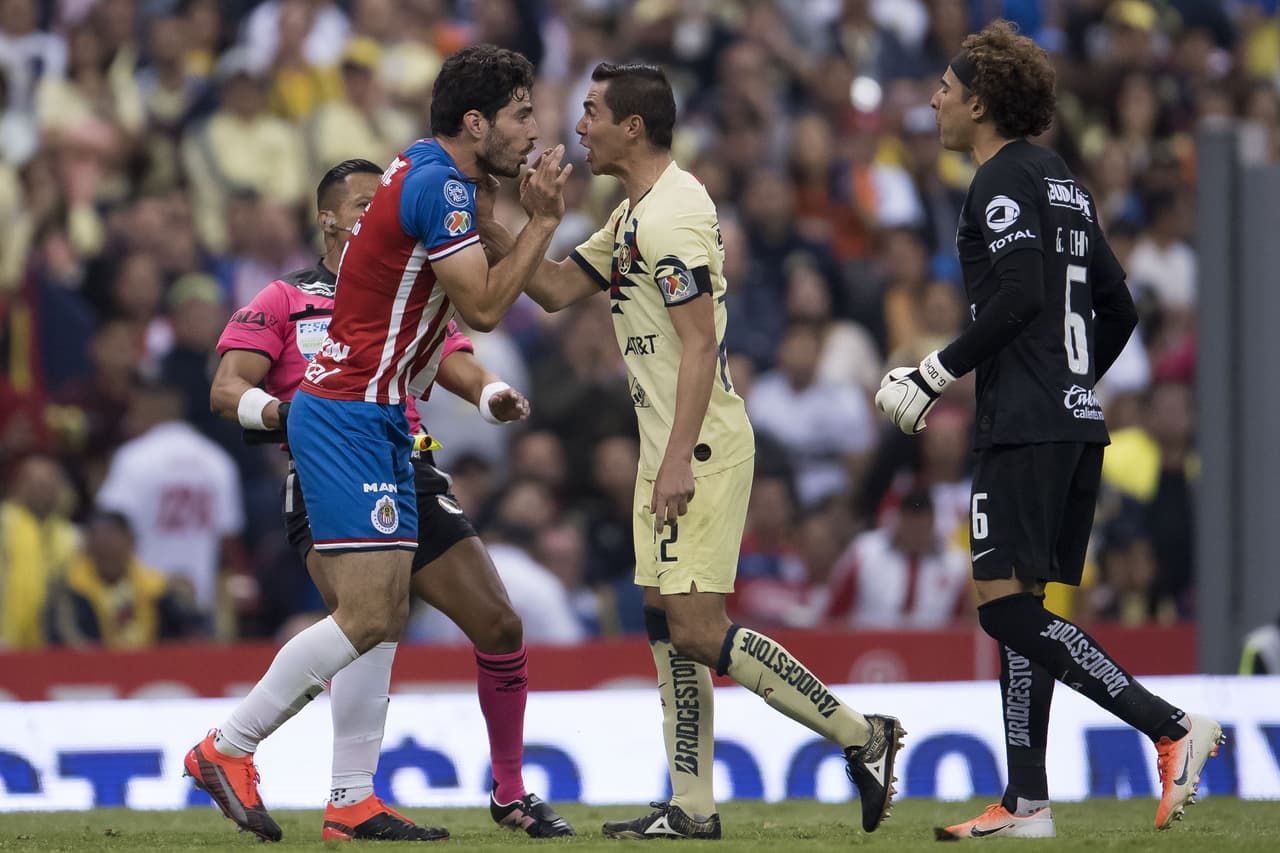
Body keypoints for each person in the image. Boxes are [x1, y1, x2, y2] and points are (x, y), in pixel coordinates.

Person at [478, 62, 904, 838]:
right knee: (663, 617)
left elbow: (701, 345)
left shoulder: (673, 213)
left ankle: (863, 735)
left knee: (701, 630)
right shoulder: (635, 212)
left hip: (696, 445)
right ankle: (692, 803)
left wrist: (675, 461)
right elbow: (551, 289)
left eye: (593, 111)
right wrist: (504, 217)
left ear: (632, 126)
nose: (579, 126)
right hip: (667, 441)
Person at [183, 44, 572, 843]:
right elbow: (491, 308)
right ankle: (227, 746)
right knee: (368, 615)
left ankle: (352, 799)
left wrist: (528, 227)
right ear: (476, 120)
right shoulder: (436, 186)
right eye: (523, 113)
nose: (535, 129)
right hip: (345, 411)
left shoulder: (439, 177)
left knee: (395, 616)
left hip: (381, 416)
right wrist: (542, 221)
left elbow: (535, 294)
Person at [871, 21, 1221, 839]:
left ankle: (1169, 725)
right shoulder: (1061, 179)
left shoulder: (996, 181)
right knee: (1019, 602)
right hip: (1070, 421)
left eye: (947, 91)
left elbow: (1022, 295)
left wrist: (933, 372)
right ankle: (1025, 799)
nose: (935, 100)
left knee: (1000, 610)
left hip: (1024, 429)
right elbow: (1122, 306)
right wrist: (1069, 386)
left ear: (981, 103)